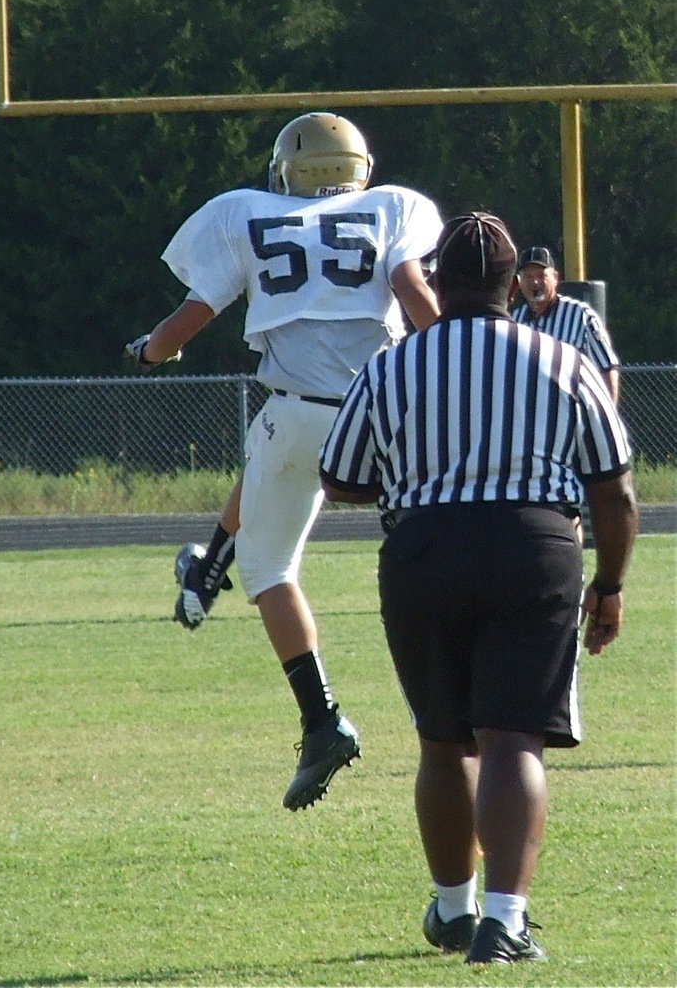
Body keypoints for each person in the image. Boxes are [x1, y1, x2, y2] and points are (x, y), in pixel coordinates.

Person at [319, 212, 638, 963]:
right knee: (512, 737)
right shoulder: (560, 359)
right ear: (509, 283)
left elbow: (340, 477)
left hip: (423, 549)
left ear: (434, 282)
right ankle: (503, 919)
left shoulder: (392, 364)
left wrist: (418, 480)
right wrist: (611, 582)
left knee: (442, 739)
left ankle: (451, 908)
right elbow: (615, 491)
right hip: (533, 547)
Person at [126, 111, 442, 810]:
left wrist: (150, 349)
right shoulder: (393, 208)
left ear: (288, 169)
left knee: (269, 568)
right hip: (389, 410)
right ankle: (449, 693)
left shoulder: (246, 213)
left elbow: (192, 315)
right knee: (437, 536)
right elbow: (415, 293)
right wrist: (460, 358)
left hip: (299, 414)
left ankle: (320, 716)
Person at [512, 245, 621, 403]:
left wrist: (606, 418)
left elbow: (606, 367)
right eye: (528, 276)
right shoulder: (516, 319)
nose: (535, 282)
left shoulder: (581, 316)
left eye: (541, 275)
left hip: (573, 416)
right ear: (519, 282)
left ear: (555, 278)